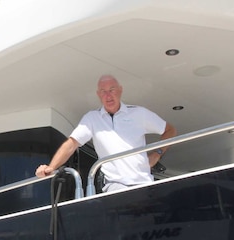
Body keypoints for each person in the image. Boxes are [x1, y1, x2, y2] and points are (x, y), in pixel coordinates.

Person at [36, 74, 177, 192]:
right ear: (98, 95)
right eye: (103, 91)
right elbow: (71, 144)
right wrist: (51, 167)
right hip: (115, 186)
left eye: (112, 89)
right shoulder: (92, 119)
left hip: (144, 183)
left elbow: (170, 131)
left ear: (120, 90)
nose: (108, 95)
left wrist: (157, 153)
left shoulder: (139, 113)